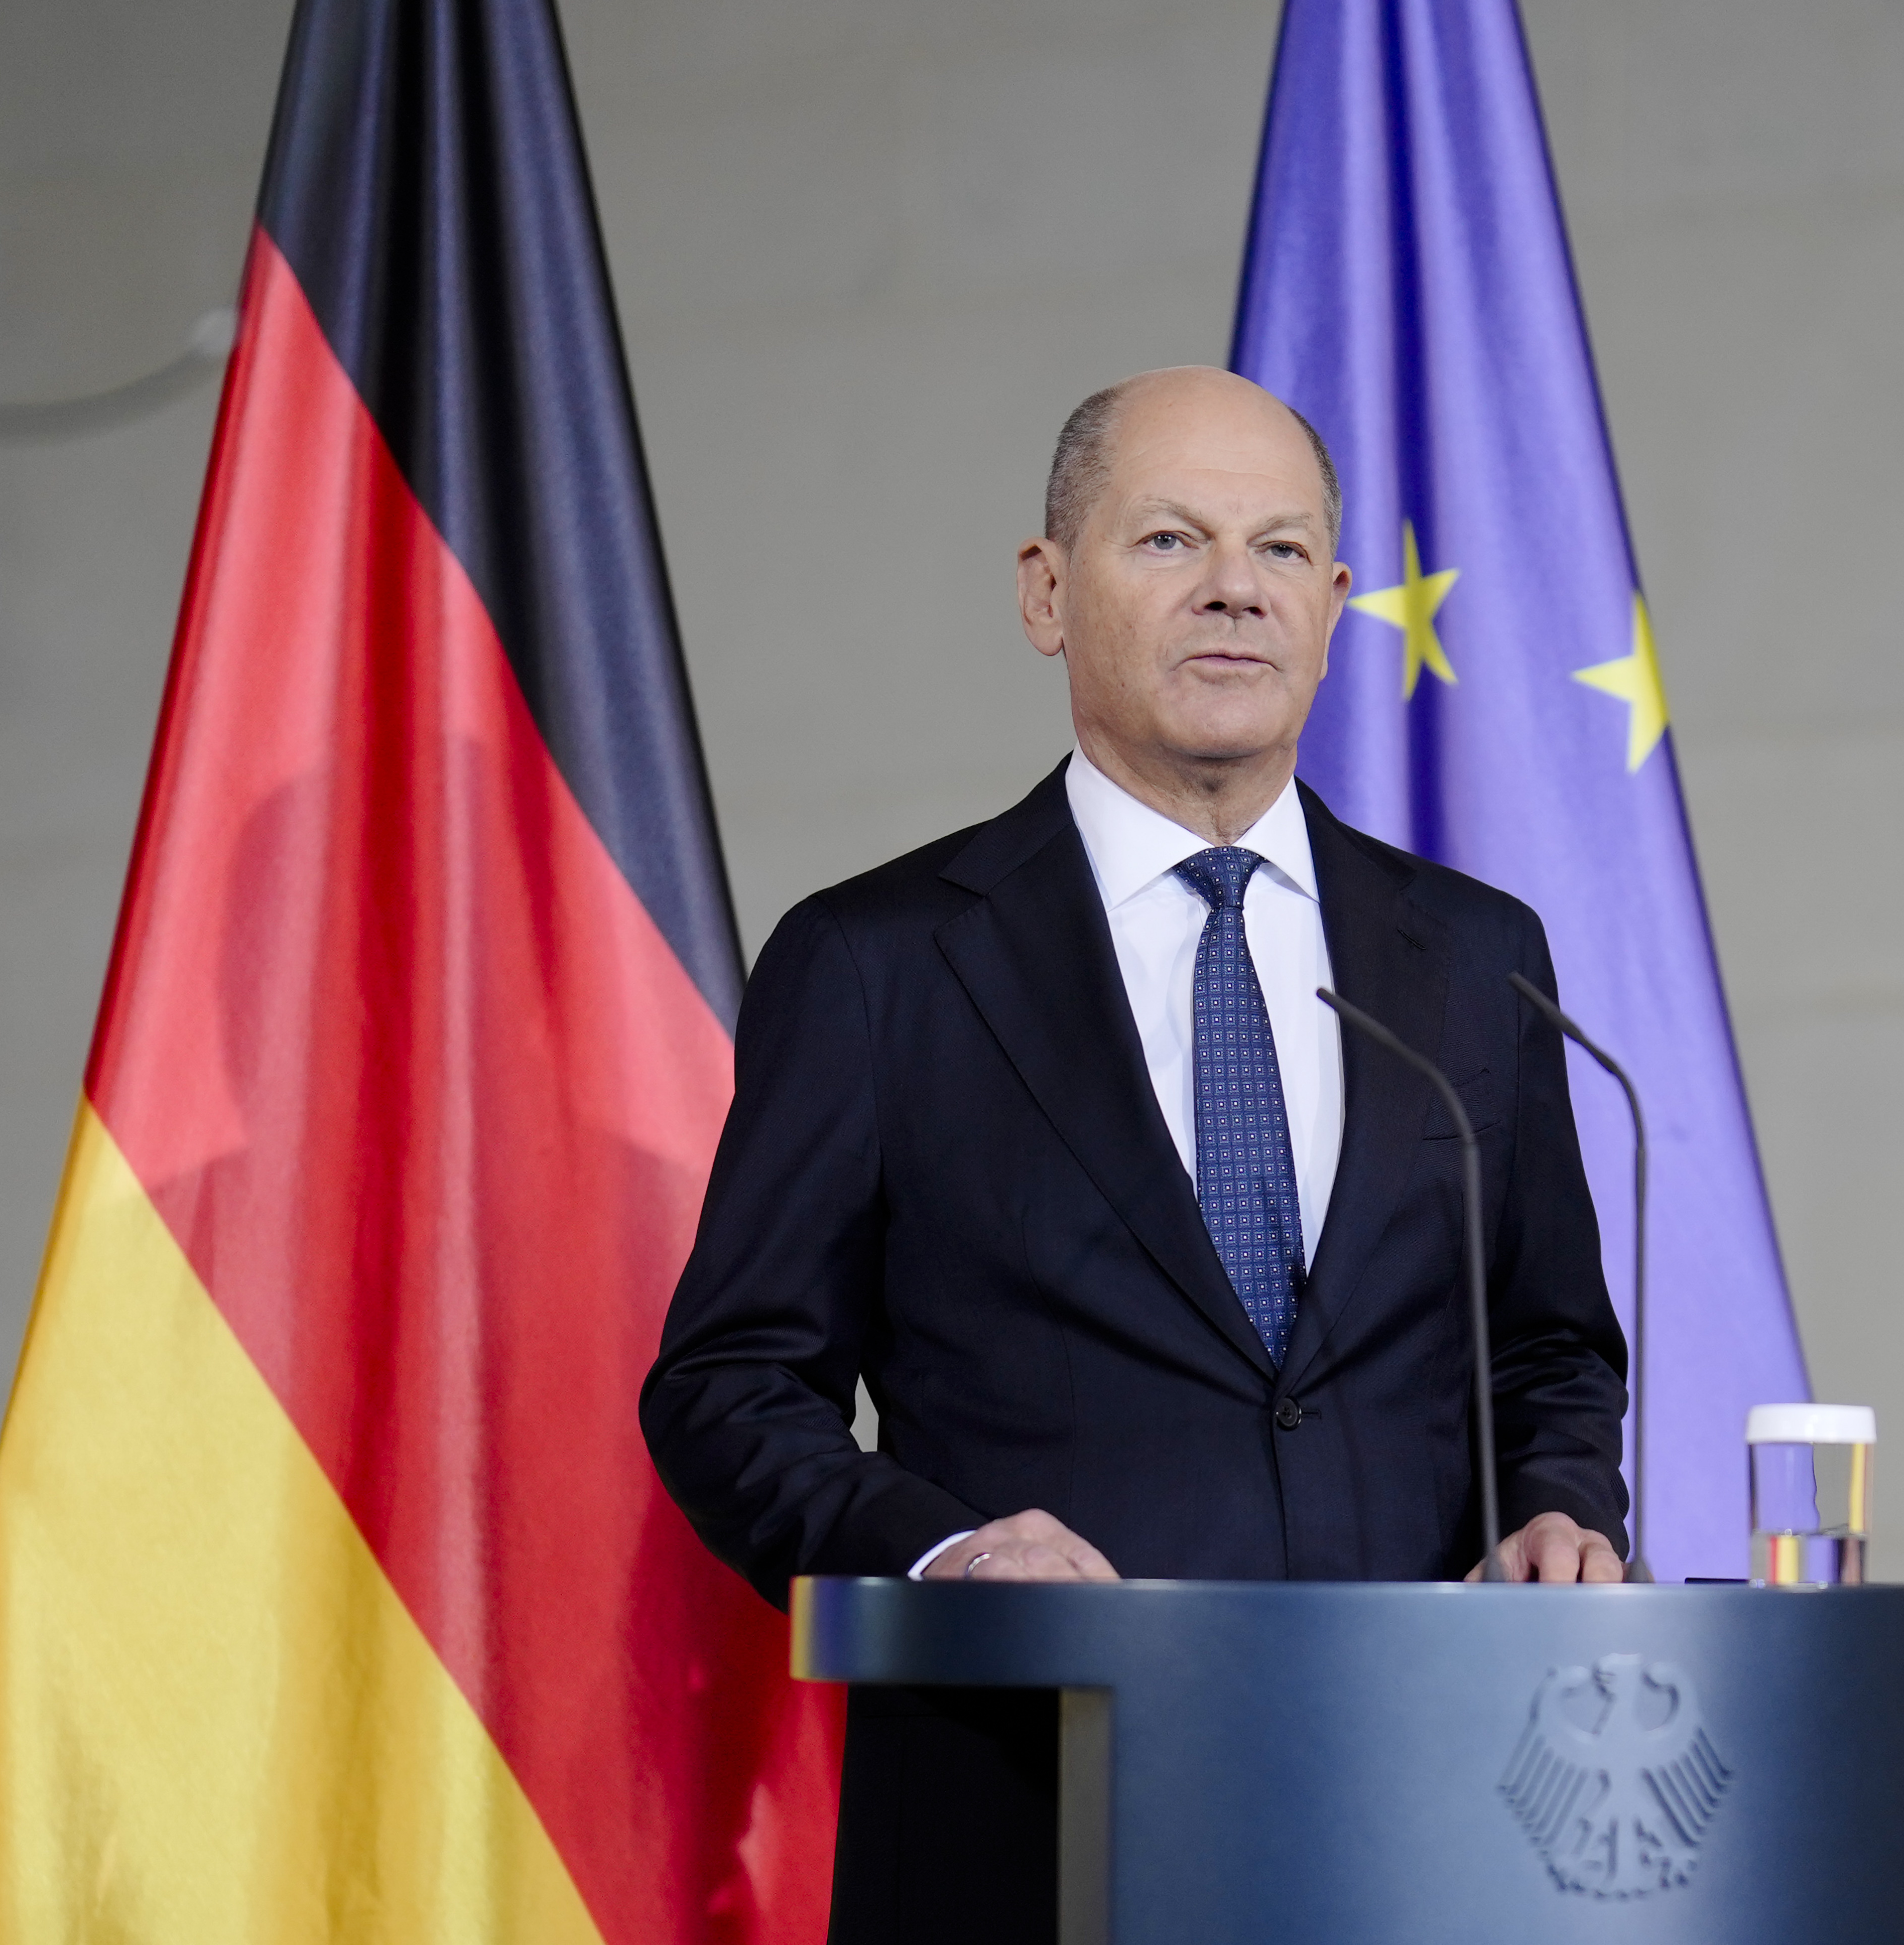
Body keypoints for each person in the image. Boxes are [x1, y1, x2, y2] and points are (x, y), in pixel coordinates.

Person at [644, 365, 1629, 1601]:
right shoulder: (875, 963)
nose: (1233, 587)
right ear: (1046, 593)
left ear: (1329, 610)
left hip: (1412, 1745)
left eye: (1280, 548)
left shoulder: (1482, 954)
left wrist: (1555, 1504)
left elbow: (1548, 1350)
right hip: (1036, 1746)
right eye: (1171, 539)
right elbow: (731, 1386)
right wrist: (939, 1550)